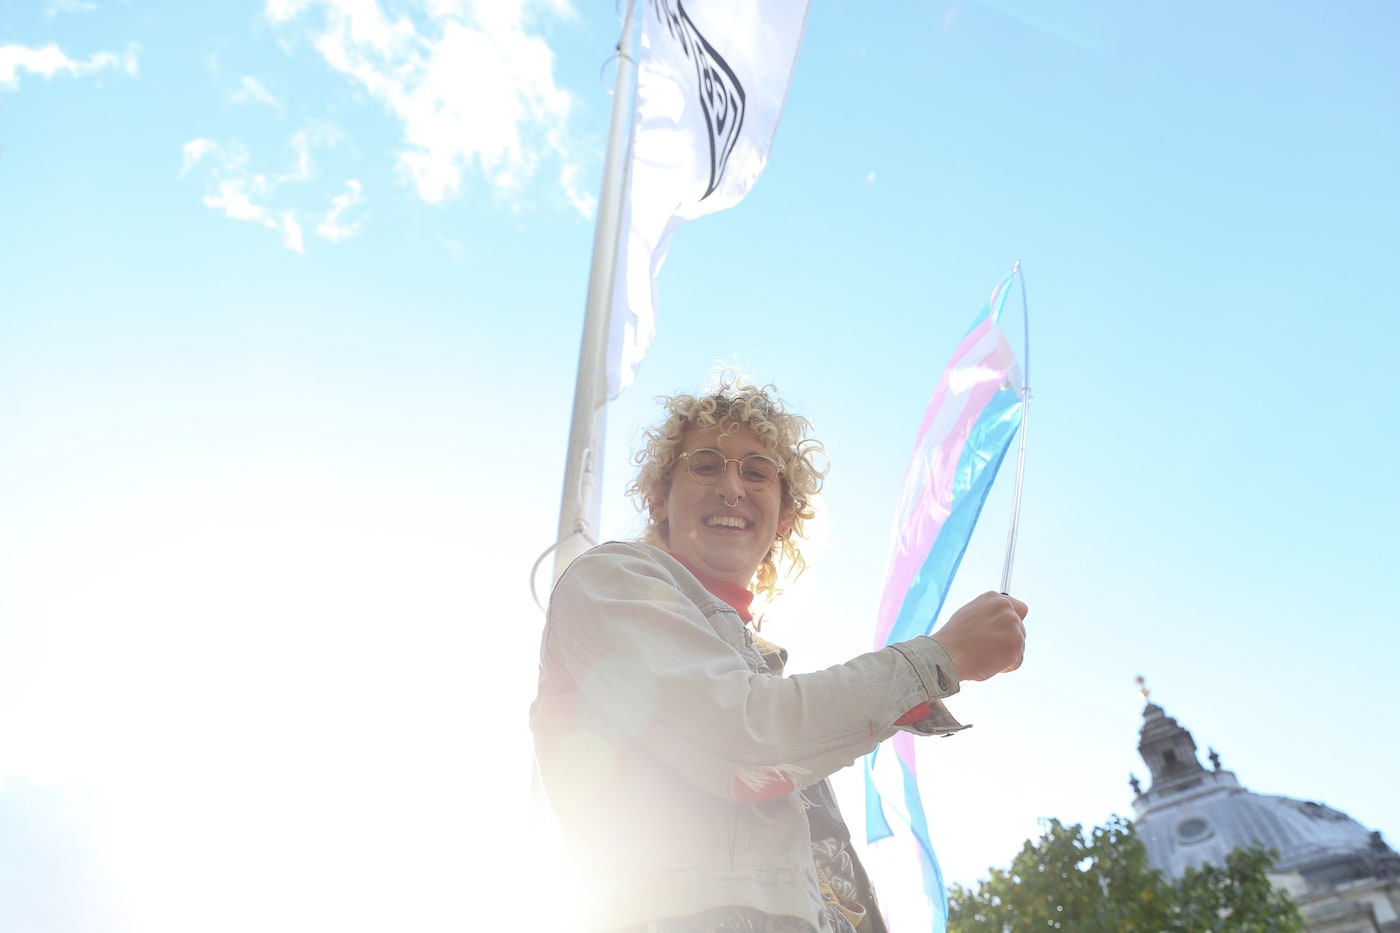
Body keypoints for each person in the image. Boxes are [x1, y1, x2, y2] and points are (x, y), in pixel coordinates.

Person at [531, 377, 1028, 933]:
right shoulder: (610, 580)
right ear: (658, 499)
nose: (732, 488)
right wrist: (940, 658)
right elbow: (742, 738)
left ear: (785, 516)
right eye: (704, 464)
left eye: (757, 472)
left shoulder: (764, 667)